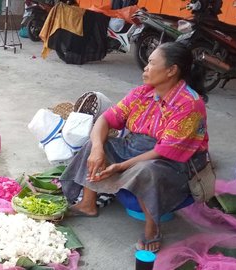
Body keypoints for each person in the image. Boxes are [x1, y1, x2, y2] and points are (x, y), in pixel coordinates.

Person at [59, 42, 209, 253]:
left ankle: (152, 228)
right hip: (135, 148)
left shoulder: (189, 104)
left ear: (171, 70)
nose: (146, 68)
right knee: (95, 144)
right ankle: (87, 204)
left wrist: (120, 167)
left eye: (151, 63)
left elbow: (164, 151)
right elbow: (105, 119)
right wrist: (97, 149)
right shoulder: (142, 93)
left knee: (146, 170)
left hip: (175, 162)